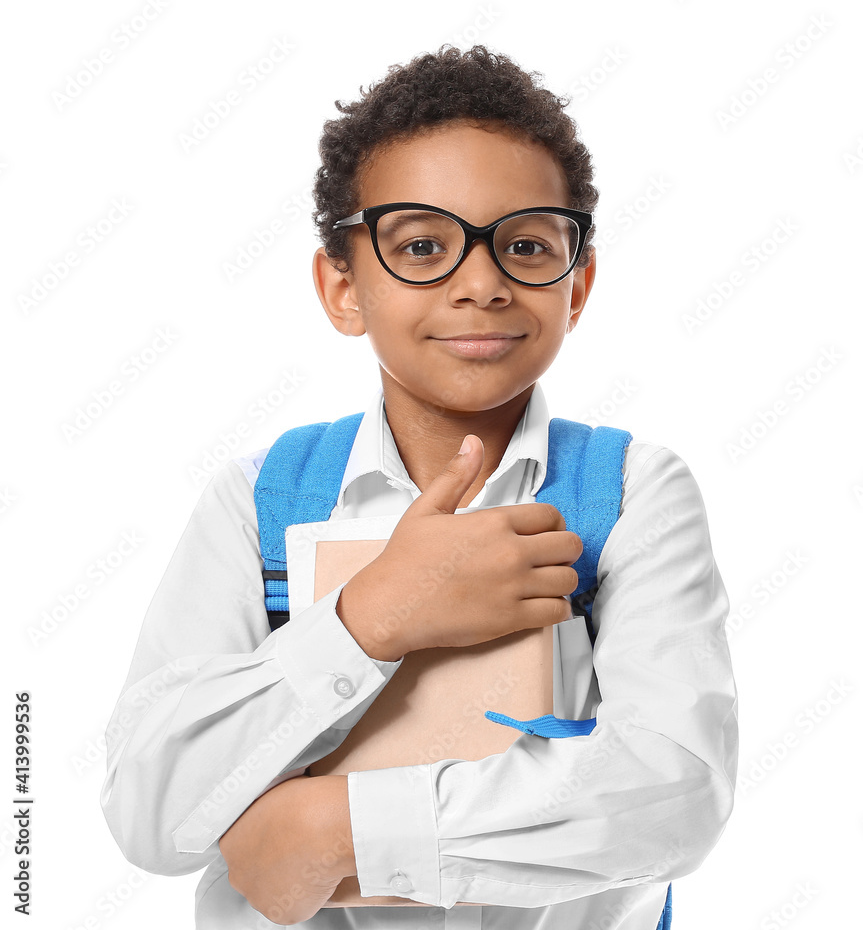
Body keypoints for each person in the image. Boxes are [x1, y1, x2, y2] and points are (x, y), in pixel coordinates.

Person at [100, 45, 738, 929]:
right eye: (422, 245)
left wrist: (340, 832)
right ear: (342, 287)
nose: (480, 284)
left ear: (576, 284)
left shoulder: (633, 493)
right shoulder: (256, 505)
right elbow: (149, 811)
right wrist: (373, 620)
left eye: (523, 245)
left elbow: (674, 793)